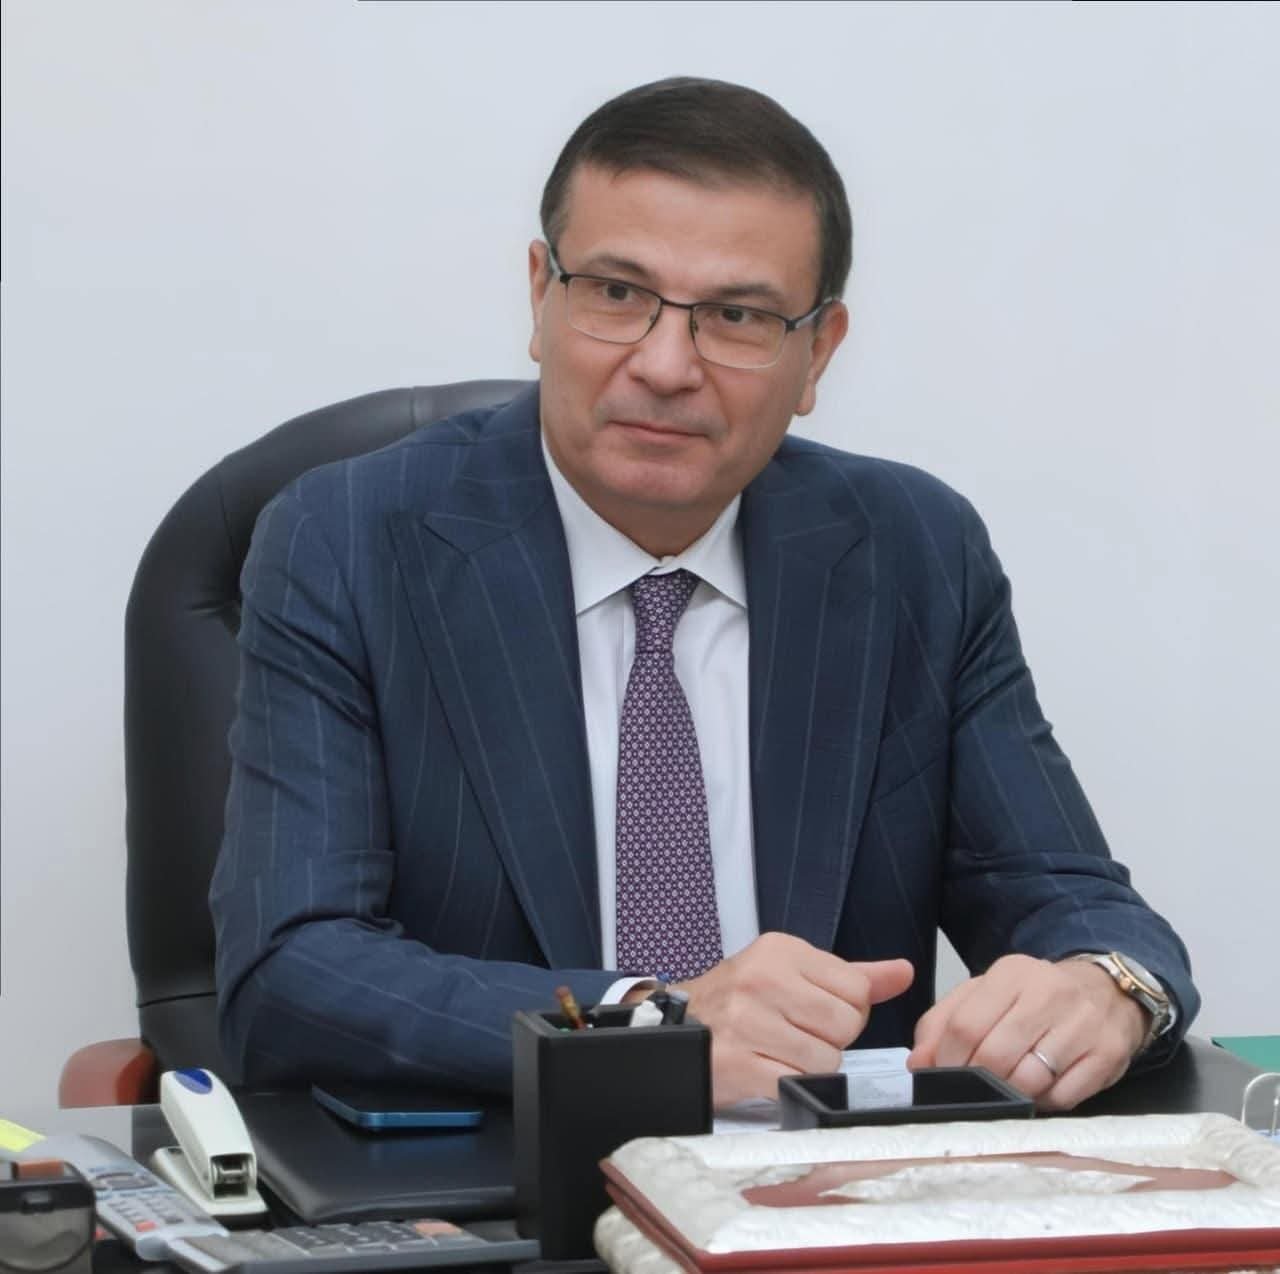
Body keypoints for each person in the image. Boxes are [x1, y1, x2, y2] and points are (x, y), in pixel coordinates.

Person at [210, 77, 1197, 1111]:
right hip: (504, 1174)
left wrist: (1105, 986)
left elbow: (1066, 894)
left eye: (736, 315)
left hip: (827, 1187)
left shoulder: (911, 550)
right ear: (540, 296)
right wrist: (650, 1025)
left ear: (817, 353)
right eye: (615, 293)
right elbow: (289, 969)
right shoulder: (350, 540)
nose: (665, 364)